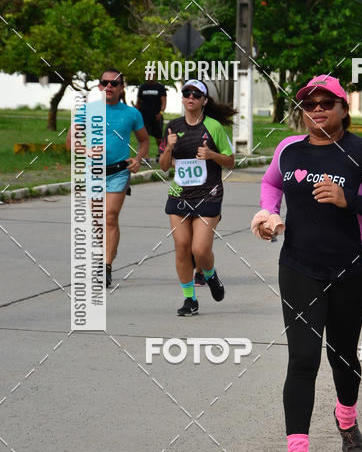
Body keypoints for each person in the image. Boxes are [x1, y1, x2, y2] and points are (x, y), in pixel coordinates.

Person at [251, 75, 362, 452]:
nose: (316, 109)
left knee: (342, 355)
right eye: (309, 104)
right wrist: (269, 214)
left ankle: (347, 419)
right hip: (299, 267)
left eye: (326, 103)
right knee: (303, 359)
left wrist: (348, 200)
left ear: (342, 109)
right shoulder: (289, 149)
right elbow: (271, 184)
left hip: (351, 269)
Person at [159, 79, 235, 316]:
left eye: (196, 94)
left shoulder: (213, 127)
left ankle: (211, 275)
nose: (190, 97)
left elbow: (230, 160)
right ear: (182, 98)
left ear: (204, 100)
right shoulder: (172, 126)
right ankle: (189, 299)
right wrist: (169, 148)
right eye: (186, 93)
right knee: (182, 247)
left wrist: (212, 155)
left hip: (208, 195)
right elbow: (163, 167)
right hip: (179, 195)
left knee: (200, 250)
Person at [66, 69, 149, 287]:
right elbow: (70, 143)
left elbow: (144, 141)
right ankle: (106, 251)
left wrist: (138, 159)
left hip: (118, 172)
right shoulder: (86, 111)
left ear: (122, 88)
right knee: (98, 220)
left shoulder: (132, 114)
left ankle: (107, 266)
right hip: (93, 172)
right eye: (104, 83)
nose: (109, 87)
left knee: (110, 216)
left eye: (114, 84)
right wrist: (86, 151)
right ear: (99, 86)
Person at [136, 76, 167, 162]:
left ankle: (161, 154)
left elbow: (163, 102)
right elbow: (138, 102)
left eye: (152, 75)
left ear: (155, 76)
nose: (150, 77)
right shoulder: (142, 87)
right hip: (144, 116)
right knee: (145, 137)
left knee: (159, 138)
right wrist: (136, 113)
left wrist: (161, 112)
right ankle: (145, 157)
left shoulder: (160, 87)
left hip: (156, 116)